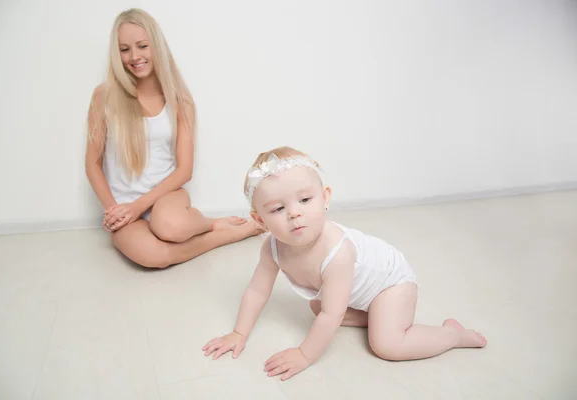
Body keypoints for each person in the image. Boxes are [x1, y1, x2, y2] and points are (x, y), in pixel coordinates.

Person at [202, 146, 487, 381]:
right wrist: (239, 333)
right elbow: (257, 291)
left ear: (325, 199)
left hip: (392, 285)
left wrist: (304, 354)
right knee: (319, 306)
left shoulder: (338, 252)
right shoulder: (272, 247)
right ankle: (376, 316)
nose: (294, 214)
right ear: (260, 220)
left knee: (385, 344)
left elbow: (331, 316)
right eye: (278, 208)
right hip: (355, 292)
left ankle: (452, 334)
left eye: (304, 199)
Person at [85, 8, 263, 269]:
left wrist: (140, 206)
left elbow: (184, 170)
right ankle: (221, 234)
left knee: (170, 227)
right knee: (153, 257)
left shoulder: (180, 100)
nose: (134, 57)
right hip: (124, 206)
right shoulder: (103, 96)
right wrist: (114, 211)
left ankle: (210, 223)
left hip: (166, 195)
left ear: (156, 45)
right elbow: (92, 162)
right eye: (124, 49)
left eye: (142, 46)